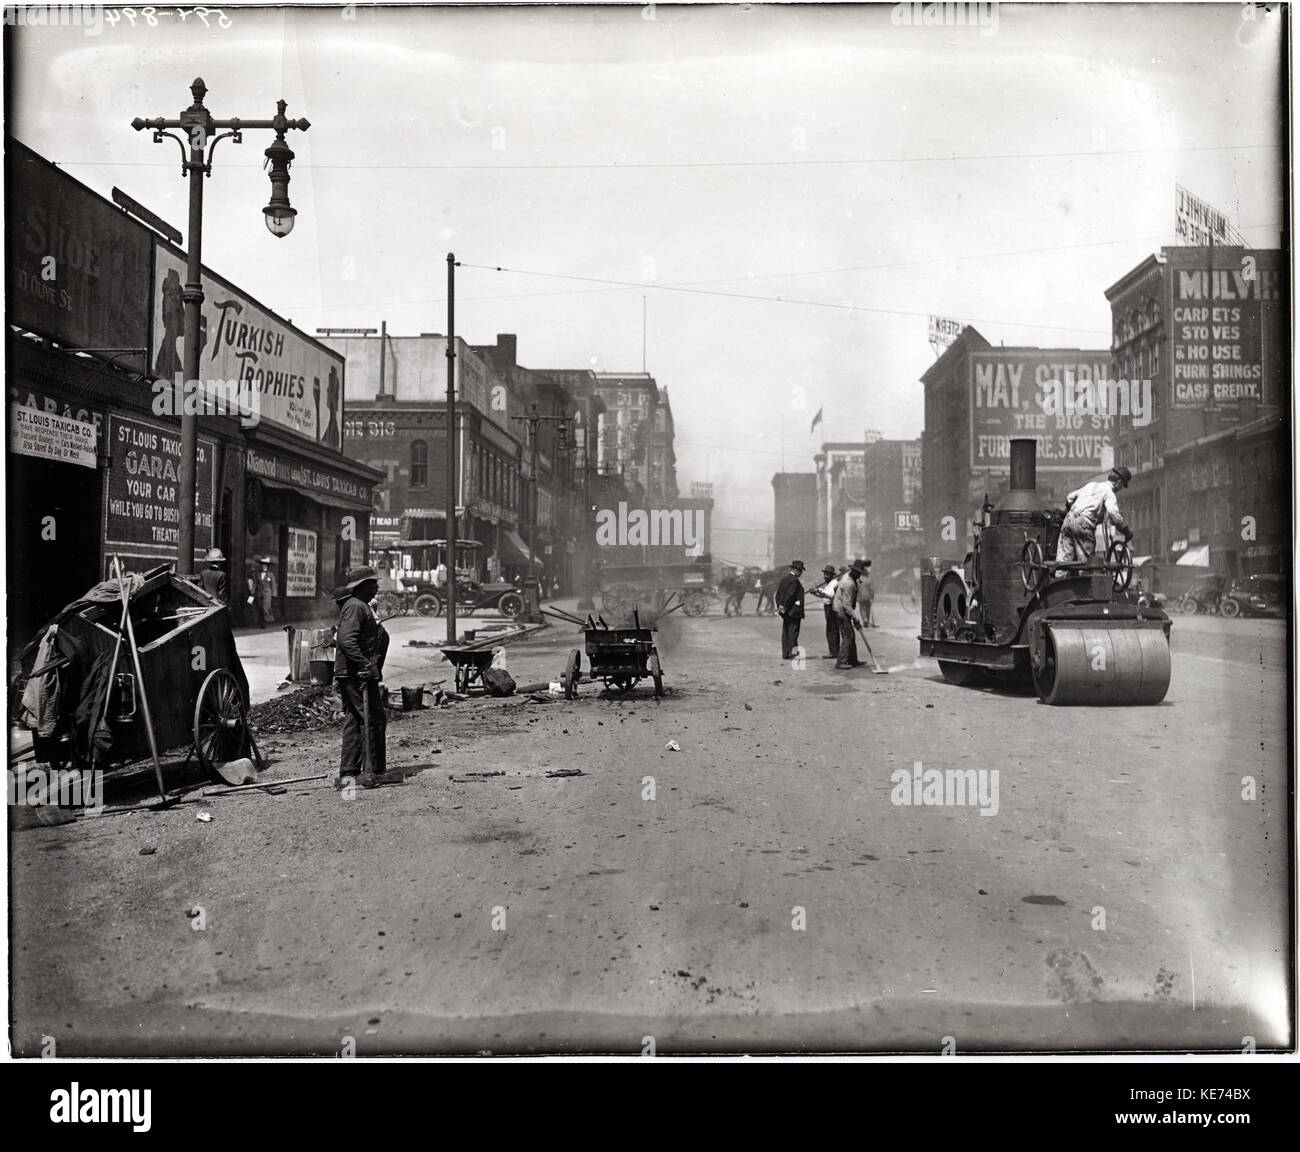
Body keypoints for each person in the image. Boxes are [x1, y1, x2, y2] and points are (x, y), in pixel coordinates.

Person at [334, 565, 389, 787]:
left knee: (355, 719)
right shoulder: (355, 607)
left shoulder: (360, 606)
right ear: (362, 586)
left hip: (356, 672)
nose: (377, 586)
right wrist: (364, 664)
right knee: (373, 718)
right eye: (373, 583)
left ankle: (350, 770)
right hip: (356, 673)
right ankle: (372, 769)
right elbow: (346, 640)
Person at [1056, 466, 1133, 566]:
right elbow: (1114, 514)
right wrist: (1126, 531)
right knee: (1086, 565)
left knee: (1063, 562)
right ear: (1119, 482)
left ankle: (1060, 580)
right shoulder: (1109, 493)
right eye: (1122, 486)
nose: (1121, 488)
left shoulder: (1091, 485)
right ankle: (1084, 581)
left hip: (1068, 520)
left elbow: (1070, 497)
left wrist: (1070, 512)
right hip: (1083, 524)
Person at [833, 559, 867, 669]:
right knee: (848, 636)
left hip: (842, 609)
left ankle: (852, 660)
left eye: (860, 573)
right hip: (841, 611)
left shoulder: (849, 577)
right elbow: (847, 604)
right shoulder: (849, 583)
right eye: (858, 573)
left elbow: (835, 588)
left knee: (851, 635)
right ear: (853, 571)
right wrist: (855, 618)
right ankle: (841, 661)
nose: (859, 576)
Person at [775, 560, 806, 660]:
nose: (801, 573)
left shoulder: (784, 579)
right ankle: (793, 654)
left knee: (786, 632)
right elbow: (791, 595)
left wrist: (780, 606)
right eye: (800, 571)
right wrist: (786, 607)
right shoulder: (795, 581)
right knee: (793, 633)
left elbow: (778, 595)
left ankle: (786, 654)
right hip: (793, 612)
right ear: (796, 570)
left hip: (785, 611)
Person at [812, 564, 840, 659]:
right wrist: (814, 593)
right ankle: (832, 651)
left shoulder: (834, 583)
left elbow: (830, 595)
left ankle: (834, 652)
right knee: (829, 630)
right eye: (824, 574)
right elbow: (823, 596)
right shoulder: (828, 584)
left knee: (833, 630)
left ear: (832, 575)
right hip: (827, 607)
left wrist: (818, 590)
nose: (825, 576)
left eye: (827, 574)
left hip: (832, 608)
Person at [257, 559, 277, 627]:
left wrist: (274, 594)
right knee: (260, 608)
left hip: (267, 593)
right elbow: (255, 584)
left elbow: (273, 585)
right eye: (262, 565)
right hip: (259, 593)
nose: (263, 566)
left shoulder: (270, 574)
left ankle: (264, 622)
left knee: (265, 607)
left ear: (267, 566)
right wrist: (252, 594)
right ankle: (261, 622)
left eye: (265, 565)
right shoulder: (258, 574)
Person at [861, 560, 877, 627]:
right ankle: (866, 620)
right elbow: (872, 590)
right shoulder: (869, 580)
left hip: (861, 597)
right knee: (868, 609)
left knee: (862, 609)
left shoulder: (859, 580)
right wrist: (872, 598)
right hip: (868, 597)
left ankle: (864, 619)